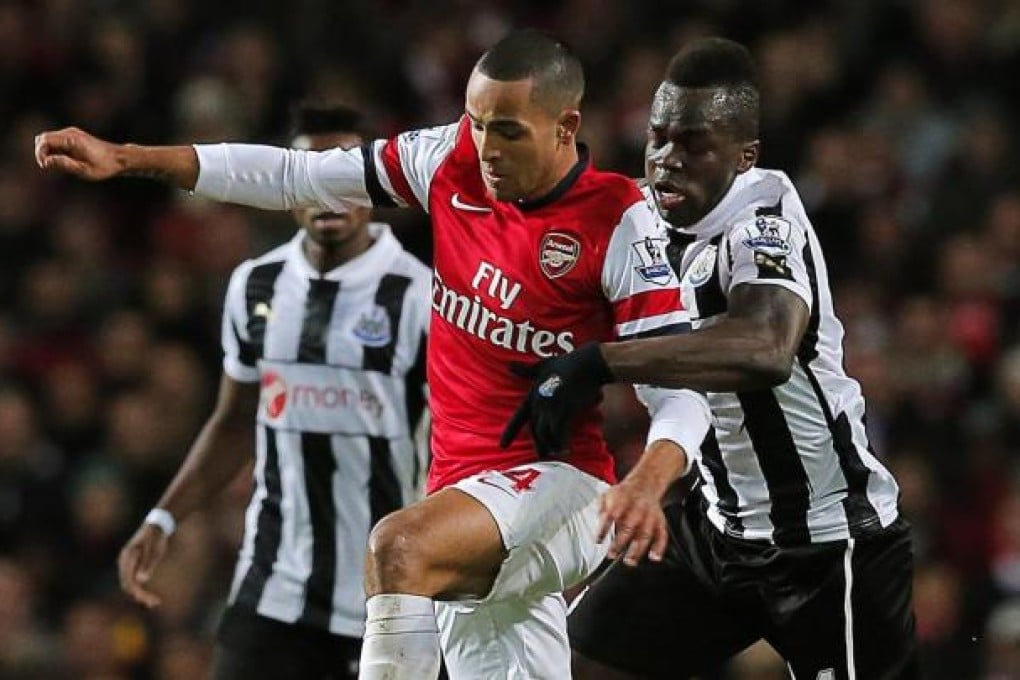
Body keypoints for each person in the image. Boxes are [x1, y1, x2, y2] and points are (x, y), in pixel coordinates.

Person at [36, 30, 709, 680]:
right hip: (463, 492)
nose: (486, 148)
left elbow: (681, 380)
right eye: (476, 123)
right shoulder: (449, 161)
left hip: (565, 487)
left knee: (400, 546)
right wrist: (128, 158)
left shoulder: (621, 219)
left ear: (566, 126)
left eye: (509, 131)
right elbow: (297, 174)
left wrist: (648, 480)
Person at [504, 38, 920, 679]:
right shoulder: (644, 210)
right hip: (715, 530)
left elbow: (765, 348)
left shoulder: (763, 223)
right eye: (659, 138)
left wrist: (603, 362)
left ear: (744, 156)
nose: (668, 160)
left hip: (829, 542)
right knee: (581, 664)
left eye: (694, 145)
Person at [114, 105, 433, 680]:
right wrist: (163, 519)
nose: (331, 195)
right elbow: (236, 422)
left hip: (388, 598)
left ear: (372, 190)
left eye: (347, 179)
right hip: (274, 588)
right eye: (315, 176)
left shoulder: (417, 295)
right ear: (289, 190)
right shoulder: (255, 284)